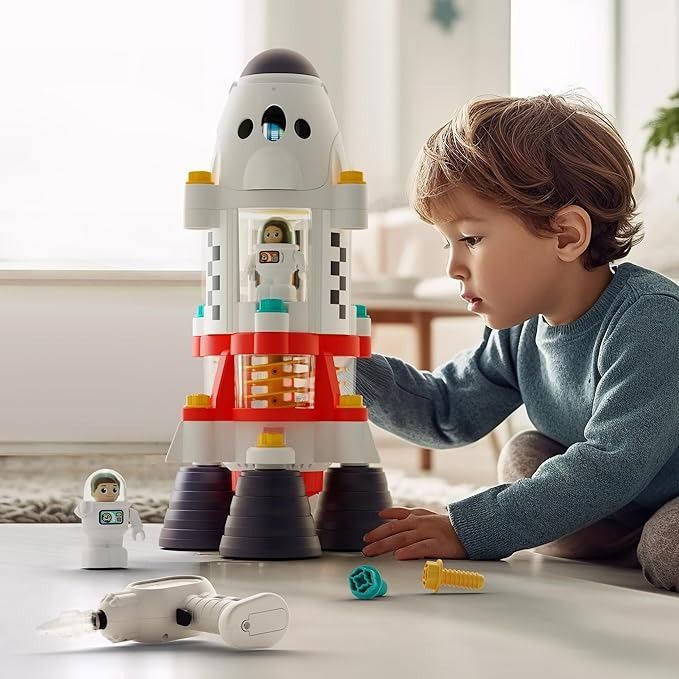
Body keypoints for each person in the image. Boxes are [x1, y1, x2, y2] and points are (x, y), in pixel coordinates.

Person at [357, 93, 679, 592]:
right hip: (628, 502)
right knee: (526, 455)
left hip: (657, 486)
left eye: (472, 239)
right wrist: (346, 366)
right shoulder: (519, 330)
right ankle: (623, 542)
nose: (453, 267)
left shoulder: (651, 318)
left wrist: (468, 527)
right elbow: (445, 410)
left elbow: (613, 461)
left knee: (669, 547)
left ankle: (636, 544)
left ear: (566, 235)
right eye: (449, 243)